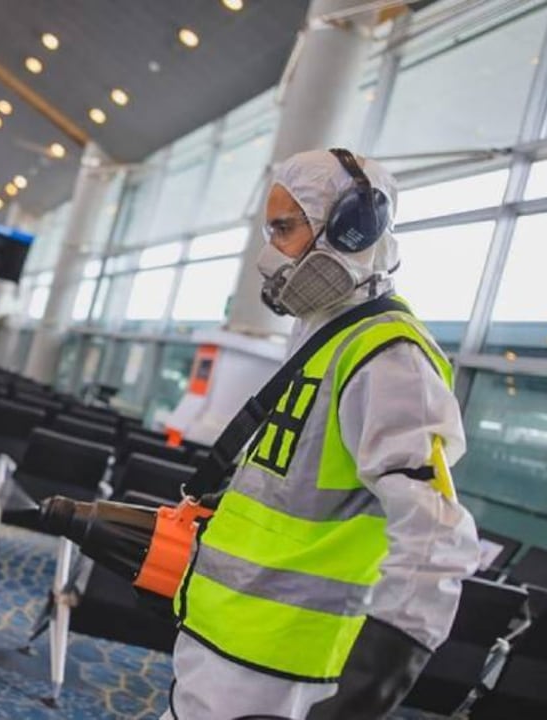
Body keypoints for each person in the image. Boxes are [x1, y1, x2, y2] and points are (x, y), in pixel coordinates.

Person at [165, 149, 481, 720]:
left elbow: (437, 538)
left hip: (282, 664)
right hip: (227, 638)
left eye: (284, 230)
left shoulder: (391, 357)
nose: (271, 254)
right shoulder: (326, 338)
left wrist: (365, 693)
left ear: (353, 229)